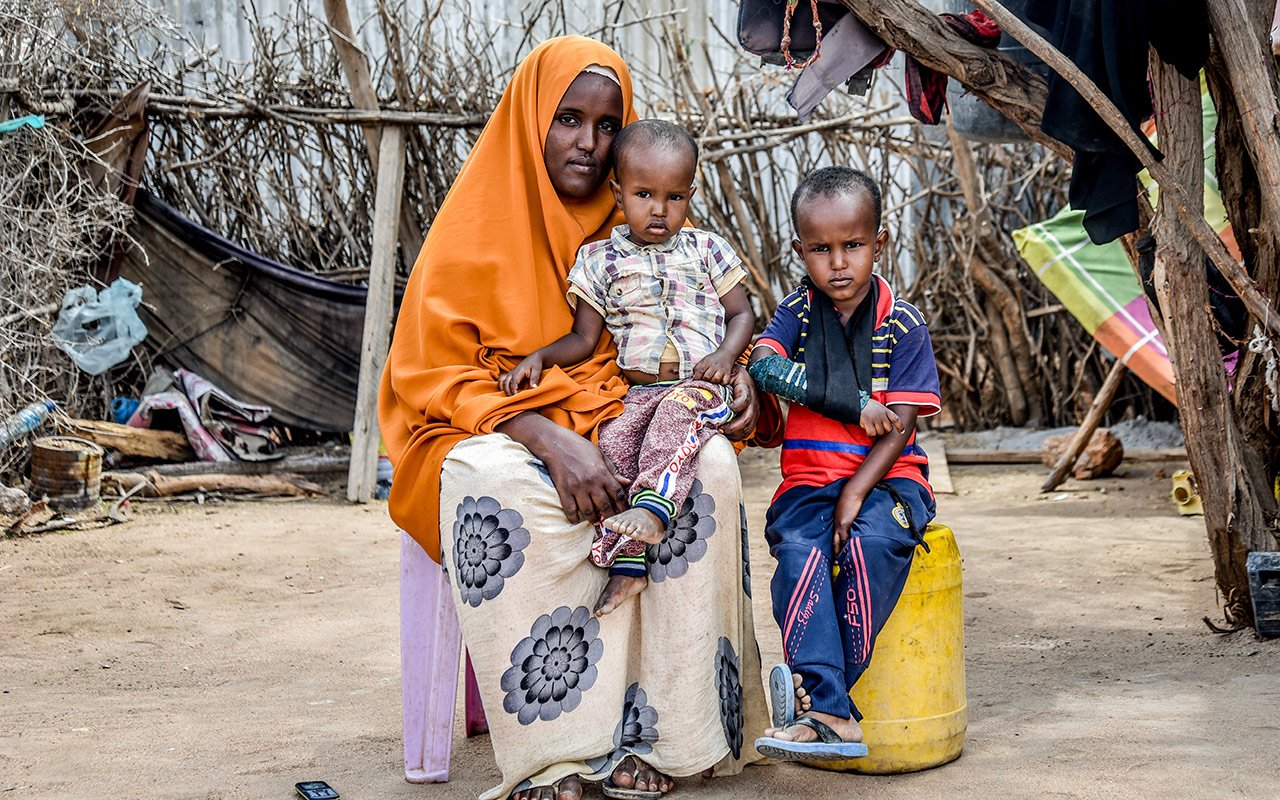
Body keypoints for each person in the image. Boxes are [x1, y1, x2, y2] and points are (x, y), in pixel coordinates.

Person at [379, 37, 768, 800]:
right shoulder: (472, 227)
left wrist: (740, 373)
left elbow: (686, 333)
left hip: (614, 411)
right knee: (492, 482)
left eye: (604, 123)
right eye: (567, 119)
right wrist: (545, 435)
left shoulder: (633, 225)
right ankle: (558, 754)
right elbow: (430, 374)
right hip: (483, 425)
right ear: (532, 120)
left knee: (709, 468)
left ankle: (667, 738)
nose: (587, 144)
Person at [499, 118, 755, 617]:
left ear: (690, 194)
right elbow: (582, 339)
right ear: (617, 192)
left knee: (673, 421)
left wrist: (726, 356)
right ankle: (628, 563)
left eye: (674, 197)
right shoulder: (598, 260)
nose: (659, 210)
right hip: (637, 392)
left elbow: (742, 313)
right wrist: (539, 358)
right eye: (643, 194)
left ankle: (656, 514)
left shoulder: (706, 249)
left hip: (698, 387)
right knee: (614, 446)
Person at [747, 166, 941, 761]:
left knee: (870, 544)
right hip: (806, 483)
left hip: (890, 480)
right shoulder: (798, 313)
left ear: (878, 243)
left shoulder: (901, 323)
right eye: (821, 249)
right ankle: (832, 713)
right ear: (800, 251)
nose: (838, 263)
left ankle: (821, 706)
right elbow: (763, 366)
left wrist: (857, 492)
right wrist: (853, 405)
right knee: (802, 554)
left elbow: (902, 424)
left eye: (853, 245)